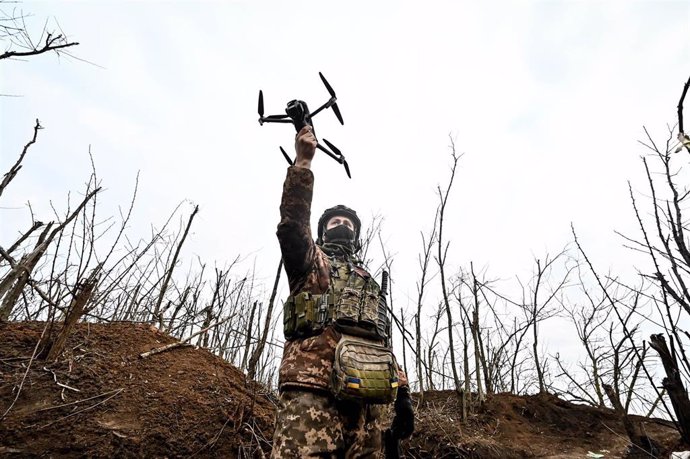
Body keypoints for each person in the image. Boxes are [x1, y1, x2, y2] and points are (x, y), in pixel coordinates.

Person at [271, 126, 414, 458]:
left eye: (349, 224)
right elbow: (292, 225)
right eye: (334, 222)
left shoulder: (369, 281)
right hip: (312, 394)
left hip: (370, 404)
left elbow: (383, 340)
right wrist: (303, 163)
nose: (343, 225)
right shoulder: (310, 263)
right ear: (321, 234)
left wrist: (403, 395)